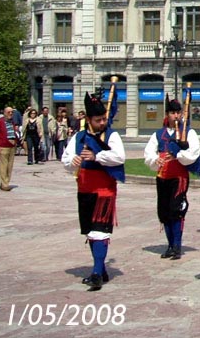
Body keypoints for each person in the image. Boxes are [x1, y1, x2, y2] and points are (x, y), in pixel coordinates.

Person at [62, 93, 126, 291]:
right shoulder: (79, 137)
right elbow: (66, 158)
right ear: (88, 120)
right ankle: (101, 268)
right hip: (84, 190)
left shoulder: (111, 135)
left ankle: (97, 273)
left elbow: (119, 157)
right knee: (90, 231)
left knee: (100, 230)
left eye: (104, 119)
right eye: (98, 120)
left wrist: (97, 156)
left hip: (104, 191)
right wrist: (71, 162)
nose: (102, 123)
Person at [144, 96, 200, 260]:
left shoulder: (188, 132)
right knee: (164, 211)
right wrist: (156, 160)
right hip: (163, 176)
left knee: (177, 210)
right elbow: (148, 153)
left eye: (178, 113)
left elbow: (193, 154)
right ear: (167, 114)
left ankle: (177, 245)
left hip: (179, 177)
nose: (175, 116)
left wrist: (179, 154)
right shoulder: (158, 134)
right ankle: (170, 245)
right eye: (172, 113)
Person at [0, 107, 19, 191]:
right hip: (3, 146)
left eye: (11, 112)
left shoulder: (12, 122)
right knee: (3, 166)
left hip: (12, 146)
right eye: (9, 112)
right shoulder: (0, 122)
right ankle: (4, 184)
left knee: (9, 166)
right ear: (5, 113)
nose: (10, 114)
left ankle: (5, 182)